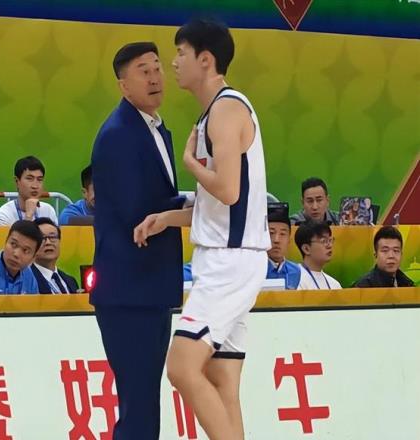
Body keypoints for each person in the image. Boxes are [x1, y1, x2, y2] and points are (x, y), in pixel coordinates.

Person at [134, 19, 270, 440]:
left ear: (205, 59)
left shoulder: (225, 111)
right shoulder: (218, 111)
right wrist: (167, 219)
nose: (173, 63)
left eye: (180, 53)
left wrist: (191, 164)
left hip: (229, 263)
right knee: (222, 382)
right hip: (232, 256)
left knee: (180, 366)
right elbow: (222, 206)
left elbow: (227, 190)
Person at [91, 42, 185, 439]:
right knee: (138, 404)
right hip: (128, 291)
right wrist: (198, 205)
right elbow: (137, 211)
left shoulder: (156, 129)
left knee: (145, 401)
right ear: (123, 85)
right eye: (143, 71)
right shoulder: (118, 134)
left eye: (157, 68)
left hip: (150, 287)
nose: (154, 77)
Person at [0, 156, 58, 225]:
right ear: (17, 181)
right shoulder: (3, 216)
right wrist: (28, 216)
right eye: (29, 179)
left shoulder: (48, 211)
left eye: (39, 179)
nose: (35, 186)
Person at [31, 217, 79, 293]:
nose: (48, 242)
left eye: (52, 237)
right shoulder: (27, 281)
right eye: (42, 238)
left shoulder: (71, 281)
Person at [294, 220, 342, 290]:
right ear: (306, 249)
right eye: (324, 241)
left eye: (330, 240)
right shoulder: (295, 280)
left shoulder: (335, 284)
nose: (329, 245)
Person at [266, 202, 301, 289]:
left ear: (289, 239)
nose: (276, 240)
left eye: (282, 234)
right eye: (271, 233)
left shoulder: (295, 271)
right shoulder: (255, 270)